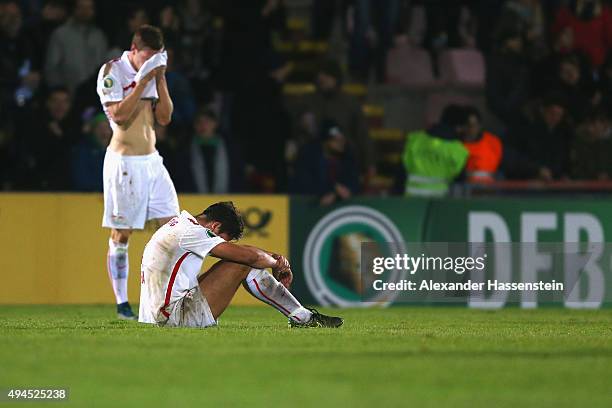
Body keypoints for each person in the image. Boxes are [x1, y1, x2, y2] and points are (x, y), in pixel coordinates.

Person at [139, 201, 343, 328]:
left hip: (158, 315)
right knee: (242, 264)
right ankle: (303, 318)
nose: (220, 243)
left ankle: (302, 316)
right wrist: (277, 262)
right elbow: (249, 258)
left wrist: (272, 256)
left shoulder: (180, 225)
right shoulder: (192, 232)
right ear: (215, 226)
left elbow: (246, 253)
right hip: (171, 317)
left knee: (241, 260)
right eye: (222, 238)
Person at [96, 25, 178, 319]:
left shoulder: (153, 71)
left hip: (152, 161)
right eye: (147, 56)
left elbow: (165, 118)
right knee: (122, 233)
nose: (151, 61)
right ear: (134, 49)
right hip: (125, 164)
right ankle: (122, 304)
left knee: (173, 228)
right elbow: (118, 116)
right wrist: (144, 80)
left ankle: (165, 299)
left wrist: (161, 77)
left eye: (156, 57)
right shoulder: (112, 71)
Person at [292, 119, 360, 206]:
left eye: (342, 140)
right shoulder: (309, 157)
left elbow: (354, 182)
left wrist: (345, 191)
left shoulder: (347, 157)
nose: (341, 143)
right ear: (325, 142)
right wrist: (331, 189)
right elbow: (304, 184)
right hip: (307, 209)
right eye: (336, 140)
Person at [45, 0, 108, 92]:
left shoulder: (99, 36)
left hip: (95, 94)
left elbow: (104, 65)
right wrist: (60, 92)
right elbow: (51, 68)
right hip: (68, 94)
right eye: (81, 7)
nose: (85, 11)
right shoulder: (61, 34)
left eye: (89, 8)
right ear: (74, 9)